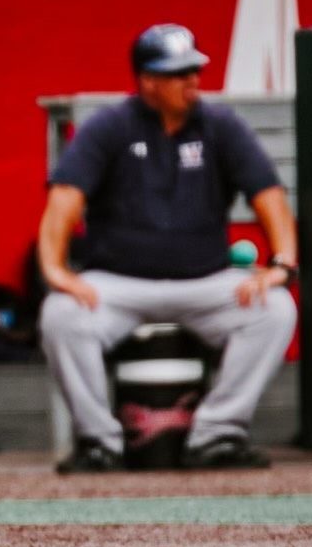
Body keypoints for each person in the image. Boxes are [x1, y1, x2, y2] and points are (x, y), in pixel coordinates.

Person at [38, 23, 298, 473]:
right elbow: (65, 197)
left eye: (194, 70)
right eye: (178, 73)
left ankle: (218, 435)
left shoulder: (220, 125)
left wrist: (281, 264)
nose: (191, 80)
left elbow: (268, 195)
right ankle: (100, 442)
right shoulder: (111, 126)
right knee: (60, 315)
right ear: (147, 81)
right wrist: (55, 270)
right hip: (118, 284)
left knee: (274, 308)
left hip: (206, 282)